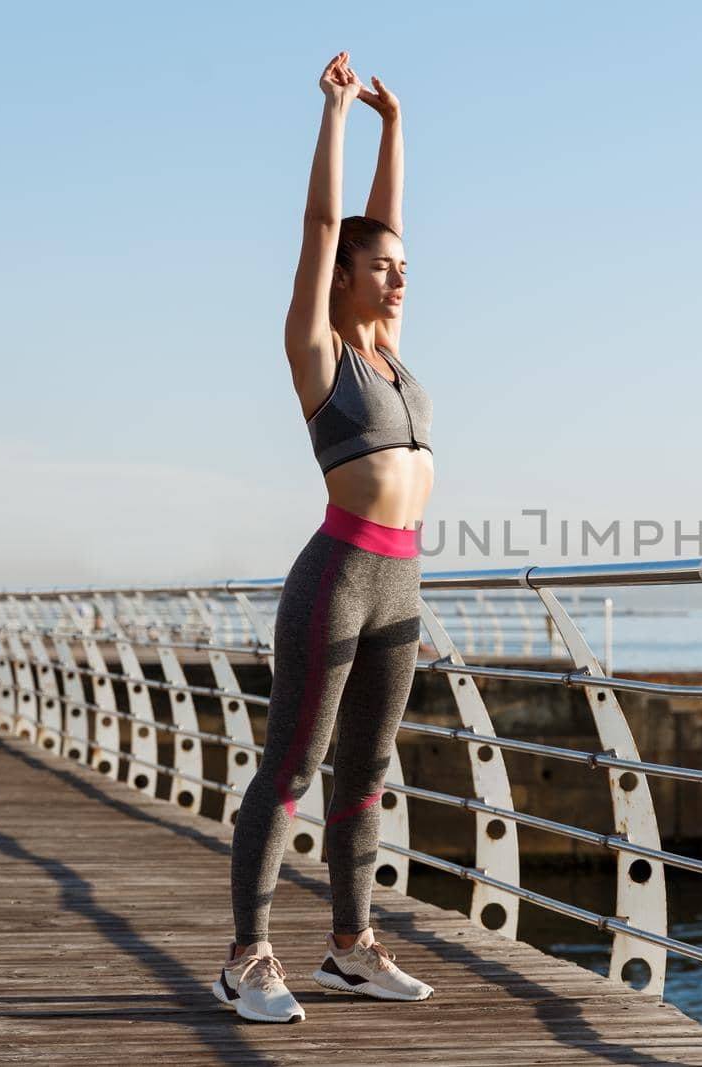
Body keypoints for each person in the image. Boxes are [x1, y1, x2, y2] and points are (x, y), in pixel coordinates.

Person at [213, 50, 436, 1024]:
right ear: (341, 277)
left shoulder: (388, 348)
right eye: (378, 268)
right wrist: (340, 114)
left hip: (402, 580)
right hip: (341, 571)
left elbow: (383, 230)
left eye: (401, 269)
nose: (395, 279)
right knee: (293, 767)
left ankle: (350, 945)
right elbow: (322, 228)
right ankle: (246, 956)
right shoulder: (321, 349)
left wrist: (400, 129)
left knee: (368, 770)